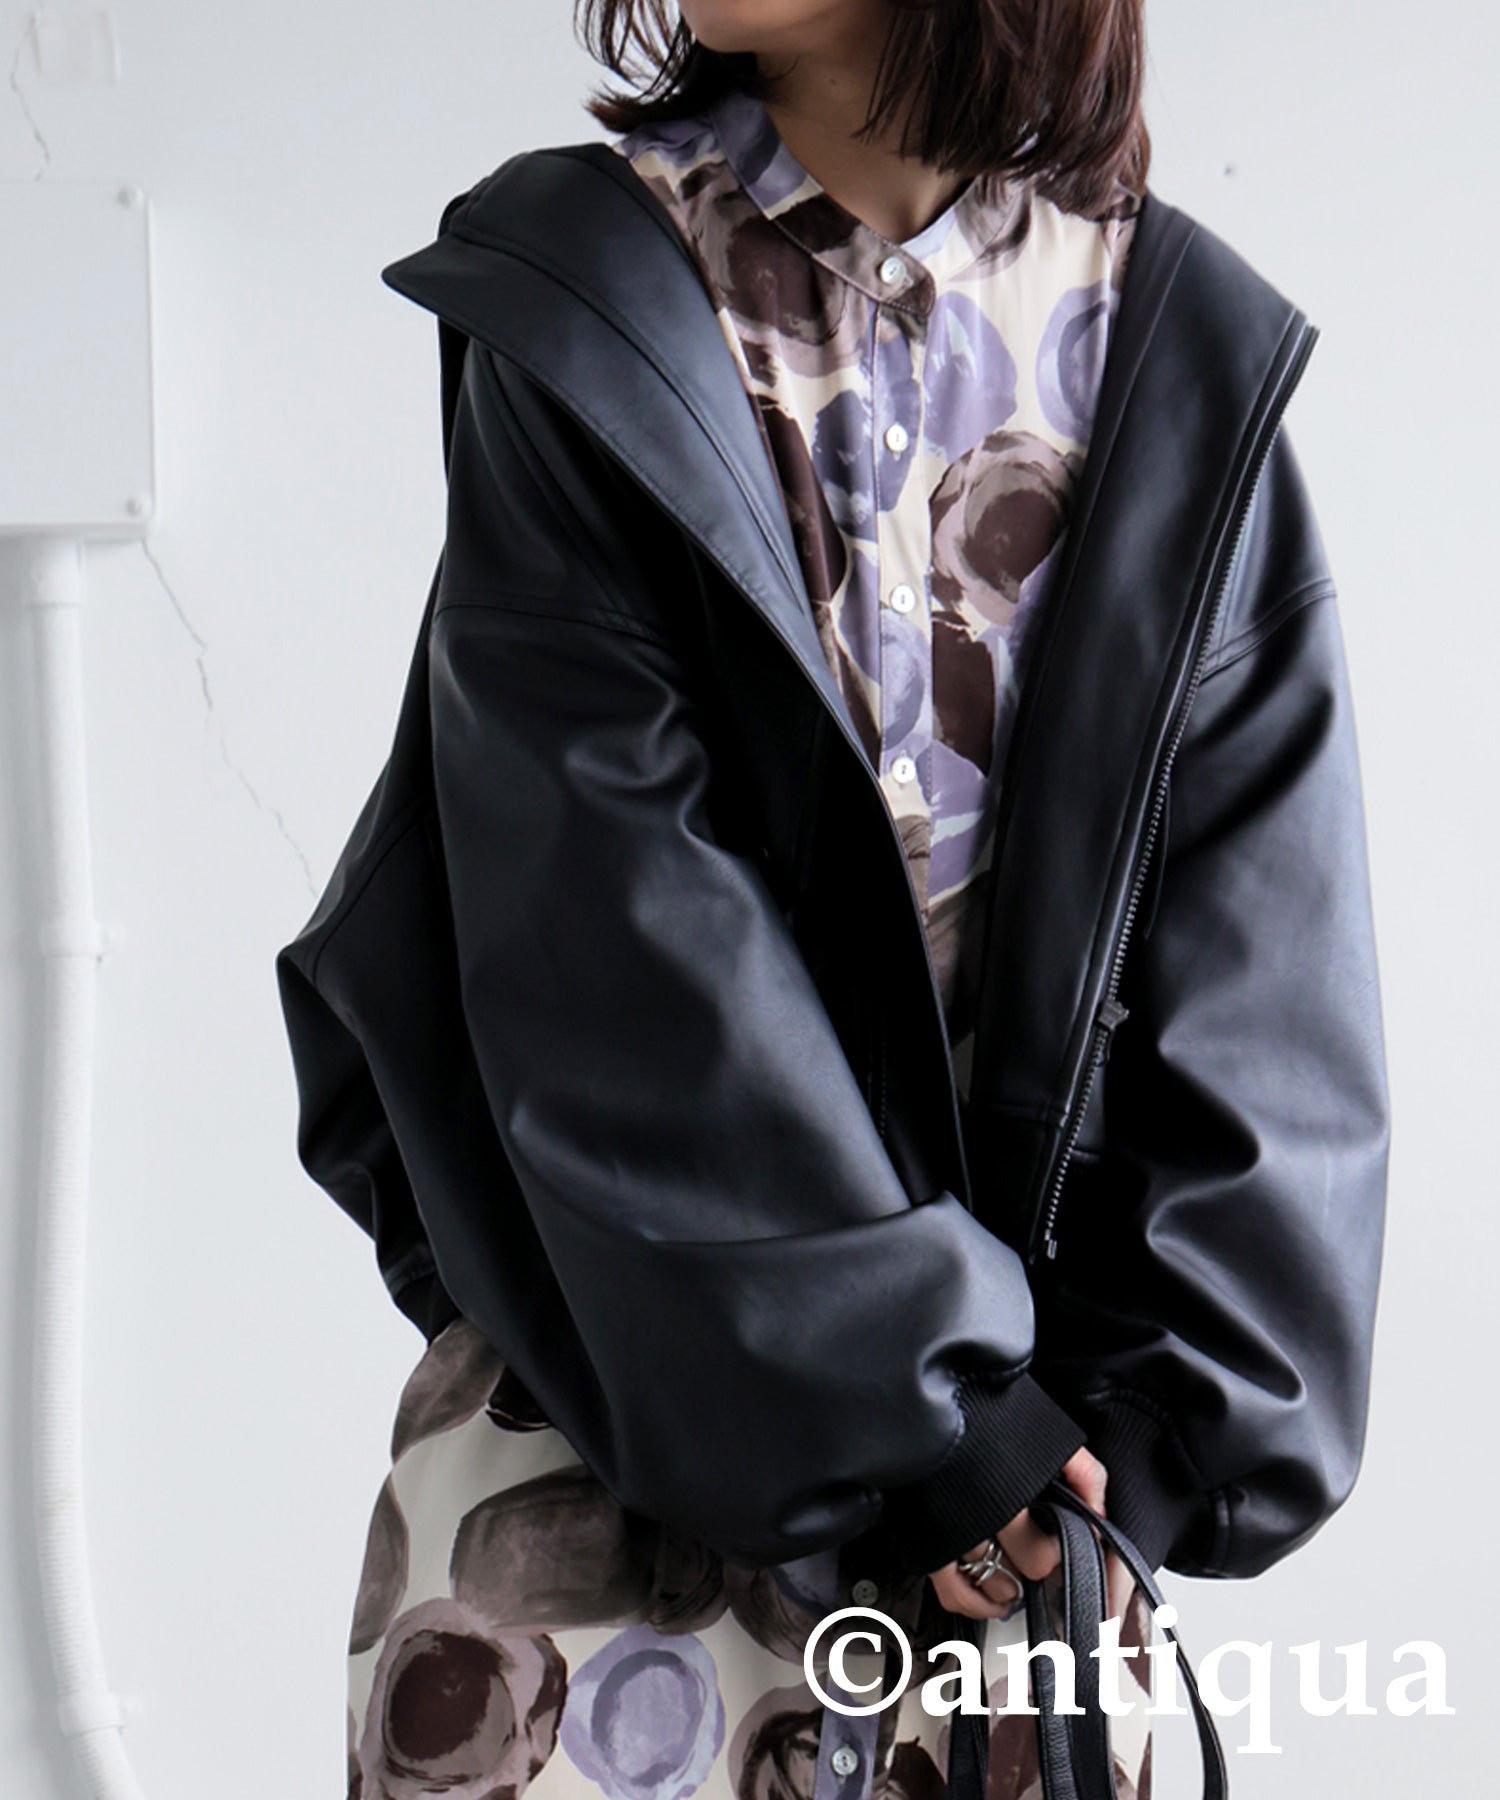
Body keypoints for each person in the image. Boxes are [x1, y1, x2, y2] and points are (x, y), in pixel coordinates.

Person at [274, 3, 1390, 1797]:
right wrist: (937, 1425)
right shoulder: (598, 297)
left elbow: (1269, 985)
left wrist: (1127, 1449)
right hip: (607, 1473)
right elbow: (616, 945)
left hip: (1035, 1532)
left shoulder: (1180, 353)